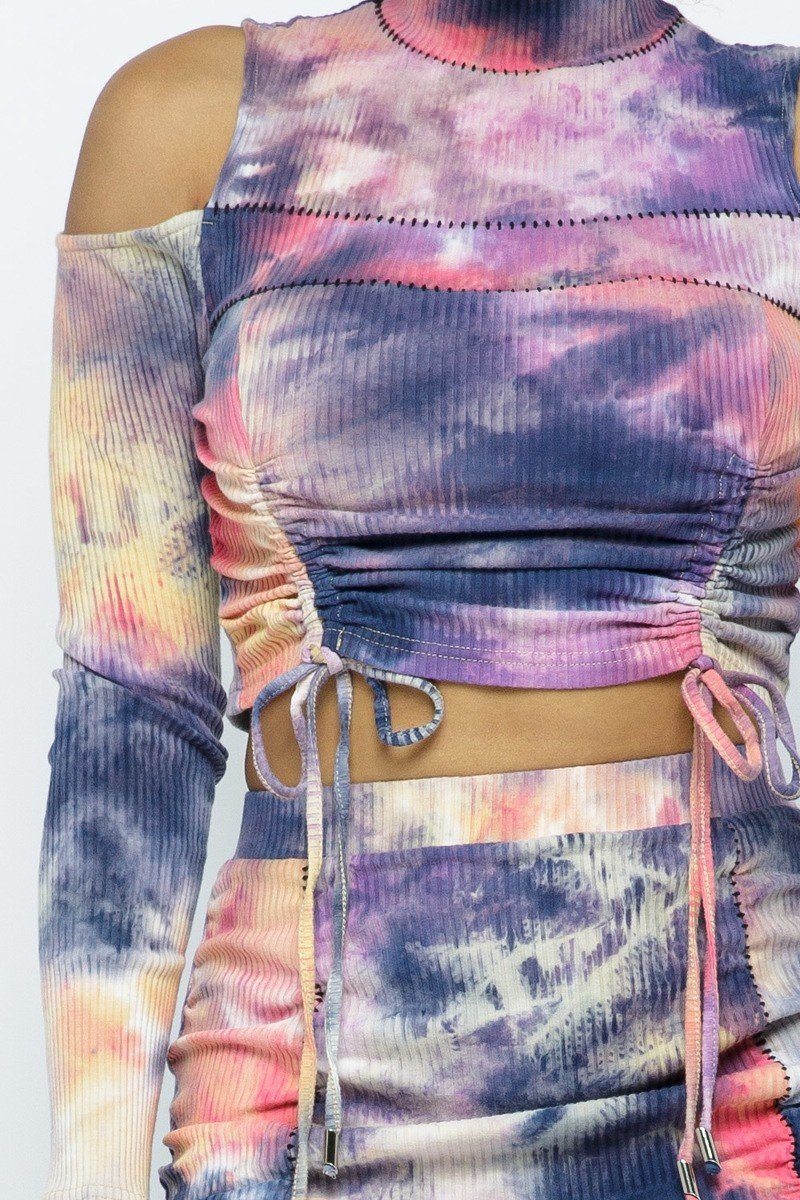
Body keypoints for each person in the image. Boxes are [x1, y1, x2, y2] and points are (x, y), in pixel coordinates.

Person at [39, 2, 800, 1198]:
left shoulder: (780, 129)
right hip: (311, 1096)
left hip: (734, 1089)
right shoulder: (194, 123)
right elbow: (129, 714)